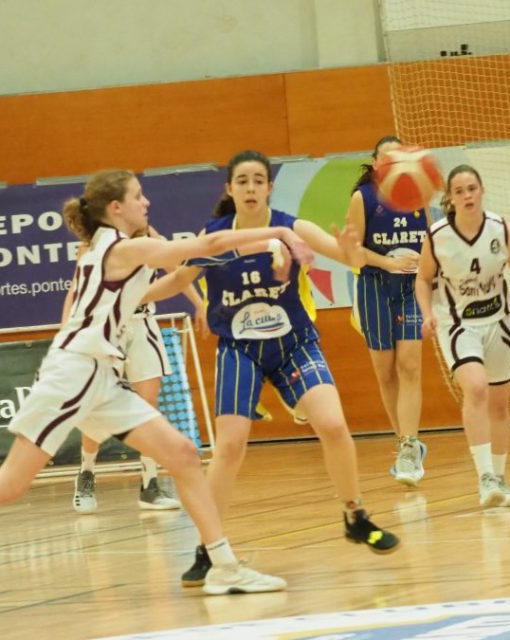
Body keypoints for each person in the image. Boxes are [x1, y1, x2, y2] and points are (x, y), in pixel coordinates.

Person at [0, 169, 313, 615]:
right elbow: (207, 245)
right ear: (116, 208)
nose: (147, 203)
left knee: (181, 454)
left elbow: (175, 279)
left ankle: (224, 567)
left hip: (100, 376)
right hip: (74, 371)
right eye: (138, 196)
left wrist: (257, 248)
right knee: (11, 482)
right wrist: (278, 233)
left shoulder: (112, 249)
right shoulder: (121, 248)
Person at [147, 149, 401, 589]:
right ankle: (208, 547)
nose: (250, 188)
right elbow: (178, 279)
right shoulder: (214, 237)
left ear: (269, 187)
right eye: (242, 181)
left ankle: (355, 514)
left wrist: (350, 248)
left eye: (257, 180)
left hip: (293, 344)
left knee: (333, 425)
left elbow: (352, 259)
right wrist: (130, 300)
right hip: (239, 348)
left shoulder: (293, 227)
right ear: (230, 189)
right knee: (229, 446)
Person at [414, 164, 510, 508]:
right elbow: (422, 279)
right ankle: (484, 478)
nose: (467, 196)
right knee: (477, 388)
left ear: (482, 191)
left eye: (472, 189)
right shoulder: (437, 235)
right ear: (450, 198)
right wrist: (427, 314)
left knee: (499, 404)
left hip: (499, 322)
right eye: (459, 191)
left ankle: (500, 478)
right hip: (458, 324)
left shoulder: (502, 230)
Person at [68, 227, 206, 514]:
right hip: (107, 328)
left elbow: (177, 271)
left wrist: (200, 304)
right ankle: (86, 472)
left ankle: (149, 484)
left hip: (143, 325)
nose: (143, 207)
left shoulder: (150, 237)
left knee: (147, 407)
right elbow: (78, 290)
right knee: (98, 406)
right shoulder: (95, 243)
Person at [346, 135, 429, 486]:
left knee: (409, 365)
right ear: (375, 162)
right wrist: (388, 263)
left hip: (410, 289)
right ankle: (403, 442)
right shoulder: (363, 198)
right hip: (374, 286)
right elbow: (353, 251)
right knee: (385, 372)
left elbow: (430, 243)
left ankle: (409, 445)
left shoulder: (419, 196)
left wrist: (429, 271)